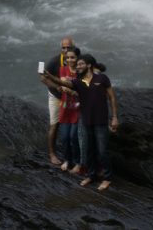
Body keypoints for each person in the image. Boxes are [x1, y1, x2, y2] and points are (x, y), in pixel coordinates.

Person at [41, 54, 118, 191]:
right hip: (86, 121)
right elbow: (64, 83)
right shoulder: (78, 81)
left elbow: (112, 97)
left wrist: (114, 118)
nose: (78, 67)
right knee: (88, 150)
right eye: (77, 65)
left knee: (102, 151)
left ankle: (107, 178)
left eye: (80, 64)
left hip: (100, 121)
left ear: (88, 65)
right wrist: (49, 76)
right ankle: (91, 175)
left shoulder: (102, 78)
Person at [45, 36, 75, 165]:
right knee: (55, 124)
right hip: (56, 96)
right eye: (63, 47)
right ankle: (52, 154)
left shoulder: (76, 59)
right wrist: (57, 87)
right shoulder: (54, 62)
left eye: (69, 47)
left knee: (75, 124)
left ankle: (75, 156)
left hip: (73, 96)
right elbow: (43, 78)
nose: (66, 50)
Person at [56, 46, 82, 172]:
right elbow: (63, 85)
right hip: (66, 108)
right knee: (65, 137)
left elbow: (77, 90)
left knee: (74, 137)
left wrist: (69, 88)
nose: (70, 60)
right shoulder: (63, 69)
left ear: (78, 58)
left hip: (78, 109)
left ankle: (78, 162)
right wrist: (72, 89)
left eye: (73, 57)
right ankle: (67, 160)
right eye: (68, 58)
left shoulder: (81, 72)